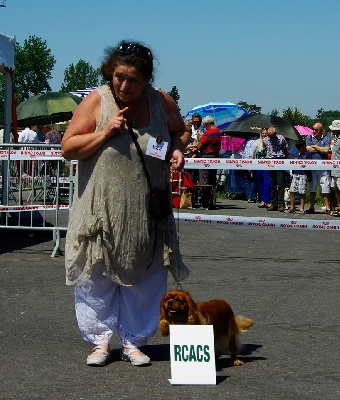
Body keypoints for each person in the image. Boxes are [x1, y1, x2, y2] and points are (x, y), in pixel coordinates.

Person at [61, 40, 190, 367]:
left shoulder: (161, 101)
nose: (125, 85)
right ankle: (100, 343)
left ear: (147, 79)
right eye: (119, 77)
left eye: (133, 79)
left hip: (147, 211)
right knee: (97, 275)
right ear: (110, 73)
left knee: (145, 275)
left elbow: (181, 131)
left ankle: (134, 342)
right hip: (101, 210)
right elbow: (69, 147)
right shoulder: (97, 101)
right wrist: (105, 133)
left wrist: (178, 149)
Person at [305, 122, 331, 214]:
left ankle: (328, 207)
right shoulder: (309, 137)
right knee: (312, 187)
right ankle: (311, 207)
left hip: (323, 167)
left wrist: (315, 146)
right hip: (312, 167)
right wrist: (321, 149)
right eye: (313, 129)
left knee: (325, 186)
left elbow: (326, 150)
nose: (314, 131)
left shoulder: (326, 138)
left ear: (321, 130)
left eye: (316, 130)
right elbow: (308, 149)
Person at [197, 115, 221, 209]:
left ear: (207, 124)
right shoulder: (218, 132)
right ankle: (212, 202)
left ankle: (205, 202)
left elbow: (200, 146)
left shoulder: (208, 132)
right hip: (215, 156)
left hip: (206, 156)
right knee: (212, 180)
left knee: (204, 180)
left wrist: (200, 137)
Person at [263, 126, 288, 212]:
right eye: (270, 136)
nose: (271, 137)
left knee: (281, 183)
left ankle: (281, 203)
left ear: (275, 134)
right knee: (272, 183)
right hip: (270, 160)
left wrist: (285, 160)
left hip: (280, 160)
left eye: (272, 135)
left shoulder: (281, 138)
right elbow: (265, 150)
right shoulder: (265, 140)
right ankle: (273, 203)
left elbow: (285, 150)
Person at [284, 140, 312, 214]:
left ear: (304, 147)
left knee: (301, 192)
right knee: (292, 190)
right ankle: (292, 207)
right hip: (295, 173)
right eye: (297, 148)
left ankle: (302, 208)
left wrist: (309, 175)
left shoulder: (308, 154)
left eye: (300, 148)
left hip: (303, 174)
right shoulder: (297, 154)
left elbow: (309, 165)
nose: (299, 149)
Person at [250, 128, 271, 208]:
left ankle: (267, 200)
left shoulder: (270, 142)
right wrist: (250, 166)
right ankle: (262, 200)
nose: (264, 135)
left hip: (267, 166)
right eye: (263, 133)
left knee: (267, 183)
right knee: (260, 183)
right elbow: (251, 155)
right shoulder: (256, 143)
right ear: (261, 134)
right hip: (257, 166)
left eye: (266, 133)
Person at [328, 120, 340, 216]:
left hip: (339, 170)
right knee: (335, 188)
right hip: (334, 169)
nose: (332, 131)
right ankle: (339, 207)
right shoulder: (336, 139)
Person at [242, 136, 258, 203]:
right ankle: (251, 197)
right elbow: (251, 154)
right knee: (254, 180)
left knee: (247, 180)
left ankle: (248, 196)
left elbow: (244, 152)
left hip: (244, 161)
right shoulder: (256, 141)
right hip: (251, 162)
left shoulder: (246, 141)